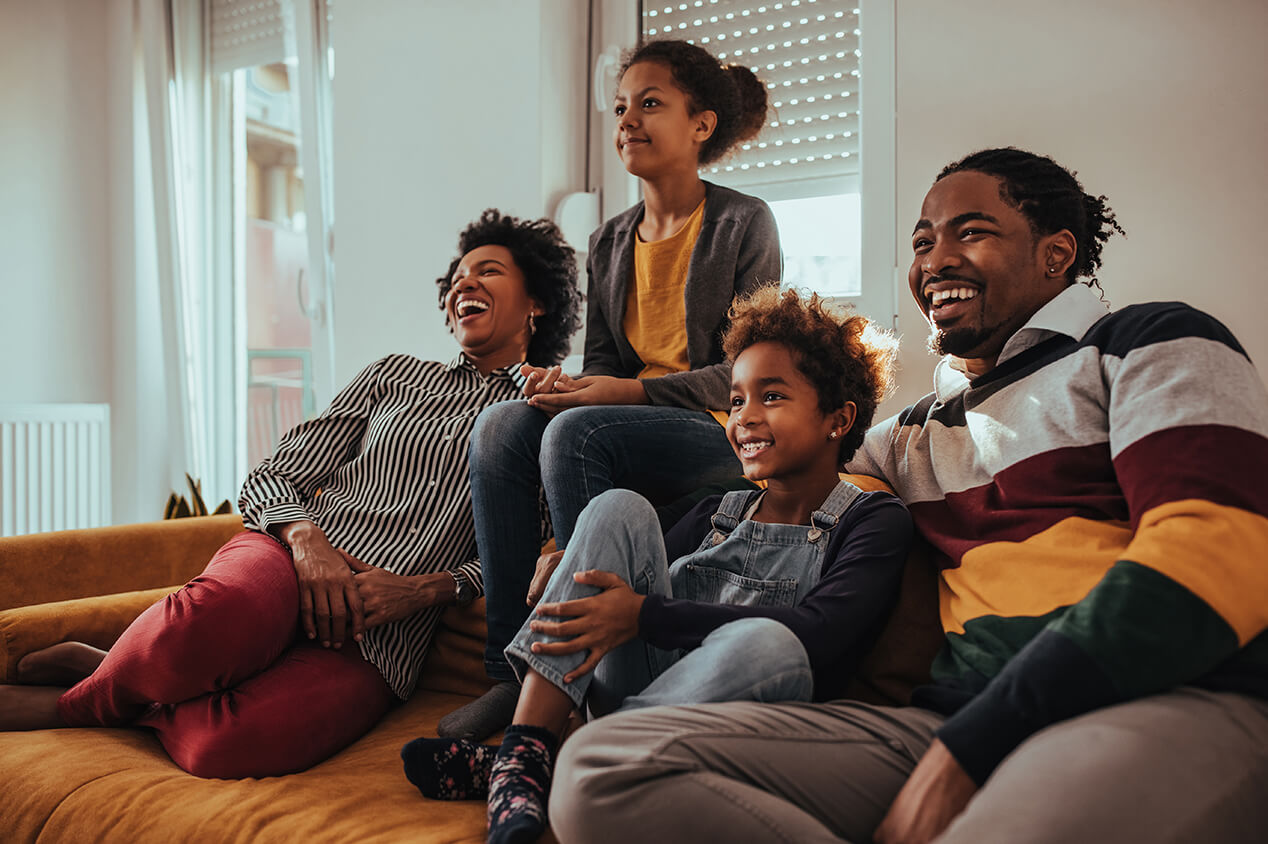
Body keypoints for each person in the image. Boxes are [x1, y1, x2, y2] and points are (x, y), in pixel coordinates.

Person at [548, 148, 1268, 844]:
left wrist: (974, 747)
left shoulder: (1150, 341)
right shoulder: (910, 434)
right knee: (598, 769)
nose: (935, 260)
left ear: (1056, 254)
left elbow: (1216, 553)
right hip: (944, 725)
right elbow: (771, 477)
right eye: (923, 241)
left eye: (971, 231)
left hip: (1159, 697)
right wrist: (576, 547)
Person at [0, 210, 583, 779]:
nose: (465, 282)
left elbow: (522, 559)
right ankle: (72, 705)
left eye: (489, 271)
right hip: (292, 556)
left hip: (382, 632)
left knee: (226, 747)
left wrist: (422, 590)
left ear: (536, 302)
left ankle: (113, 675)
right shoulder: (395, 374)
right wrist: (308, 545)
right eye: (458, 276)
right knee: (197, 627)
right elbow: (274, 474)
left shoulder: (546, 417)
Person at [403, 286, 912, 844]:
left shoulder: (874, 520)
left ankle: (564, 758)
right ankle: (524, 758)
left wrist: (644, 614)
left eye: (772, 396)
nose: (745, 418)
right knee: (616, 508)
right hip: (635, 697)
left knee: (765, 642)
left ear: (838, 419)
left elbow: (823, 634)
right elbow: (612, 579)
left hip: (742, 724)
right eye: (737, 400)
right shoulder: (716, 512)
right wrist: (571, 560)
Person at [443, 39, 785, 741]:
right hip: (631, 427)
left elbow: (747, 374)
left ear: (701, 125)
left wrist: (616, 398)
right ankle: (512, 678)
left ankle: (575, 678)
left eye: (650, 104)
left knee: (578, 430)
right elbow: (604, 363)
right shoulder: (606, 242)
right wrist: (561, 383)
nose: (628, 119)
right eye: (622, 106)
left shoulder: (743, 222)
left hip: (719, 429)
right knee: (504, 425)